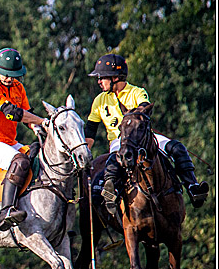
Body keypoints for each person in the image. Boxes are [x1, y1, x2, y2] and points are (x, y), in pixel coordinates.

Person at [85, 53, 209, 221]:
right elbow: (90, 132)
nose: (99, 81)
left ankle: (192, 187)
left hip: (143, 139)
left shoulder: (136, 92)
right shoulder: (99, 100)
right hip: (119, 141)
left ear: (115, 77)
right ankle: (111, 194)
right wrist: (84, 155)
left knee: (176, 147)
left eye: (102, 77)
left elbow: (144, 106)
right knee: (114, 161)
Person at [0, 48, 46, 231]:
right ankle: (6, 211)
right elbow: (12, 113)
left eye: (12, 75)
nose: (9, 78)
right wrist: (43, 121)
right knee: (20, 161)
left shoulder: (18, 88)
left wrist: (39, 128)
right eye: (5, 74)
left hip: (8, 141)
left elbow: (27, 114)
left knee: (37, 154)